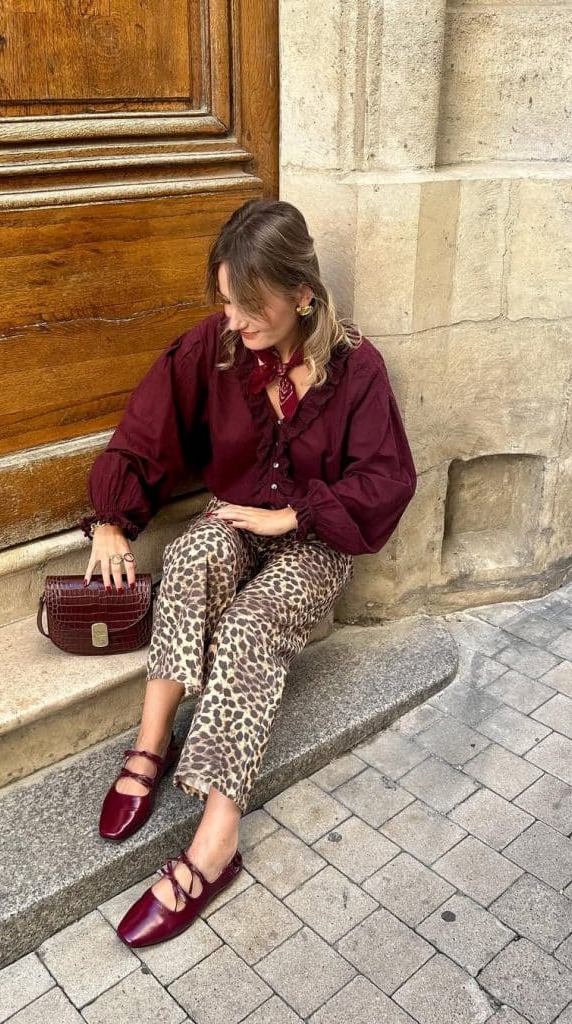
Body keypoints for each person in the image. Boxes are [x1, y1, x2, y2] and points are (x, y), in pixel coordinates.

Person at [79, 197, 418, 948]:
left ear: (302, 292)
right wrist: (112, 519)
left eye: (250, 304)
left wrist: (294, 515)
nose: (233, 319)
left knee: (248, 625)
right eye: (226, 301)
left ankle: (216, 840)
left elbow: (386, 479)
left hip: (314, 542)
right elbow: (146, 431)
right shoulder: (215, 350)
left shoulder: (355, 369)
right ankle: (152, 742)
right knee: (192, 553)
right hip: (236, 519)